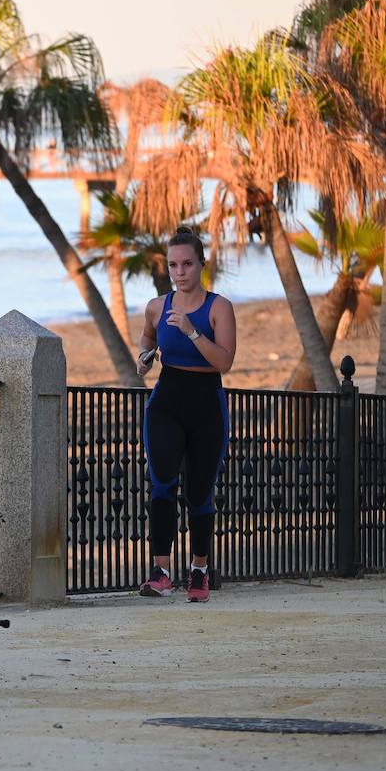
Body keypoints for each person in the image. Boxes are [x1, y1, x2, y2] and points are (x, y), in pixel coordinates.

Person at [135, 226, 237, 603]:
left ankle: (199, 570)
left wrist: (194, 333)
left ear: (201, 265)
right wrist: (145, 358)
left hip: (206, 403)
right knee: (161, 484)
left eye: (188, 264)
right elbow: (148, 338)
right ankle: (160, 573)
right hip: (167, 401)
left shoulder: (219, 307)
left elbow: (224, 362)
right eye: (174, 265)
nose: (180, 272)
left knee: (199, 492)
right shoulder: (156, 307)